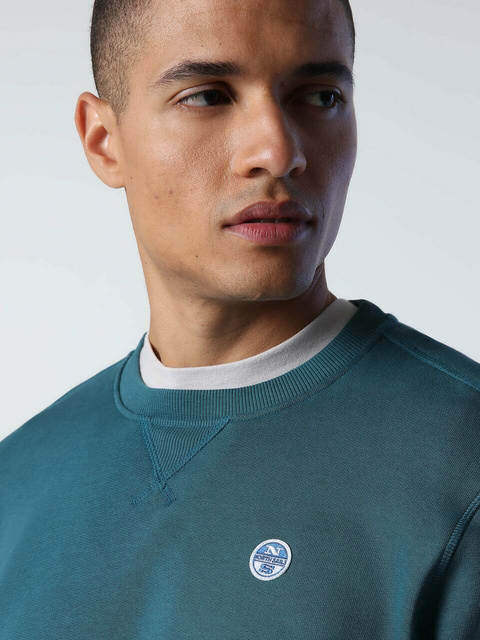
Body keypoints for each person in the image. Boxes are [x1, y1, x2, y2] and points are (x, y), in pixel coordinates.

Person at [1, 0, 479, 638]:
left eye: (320, 97)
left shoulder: (461, 462)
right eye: (207, 96)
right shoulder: (15, 484)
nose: (277, 152)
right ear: (103, 140)